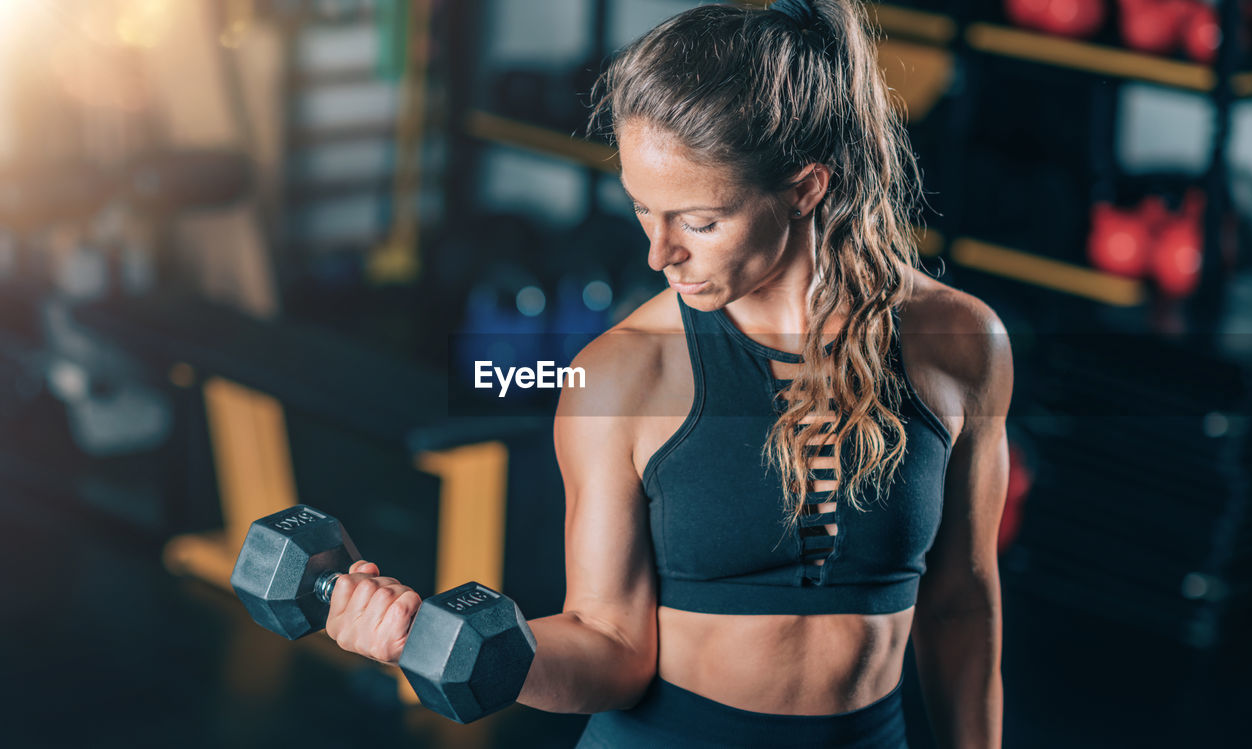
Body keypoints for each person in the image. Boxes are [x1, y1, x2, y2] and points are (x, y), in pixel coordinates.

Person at [322, 1, 1012, 747]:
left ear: (806, 187)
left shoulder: (961, 343)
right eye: (643, 209)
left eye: (699, 220)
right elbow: (608, 646)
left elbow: (961, 605)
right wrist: (429, 638)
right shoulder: (624, 373)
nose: (659, 253)